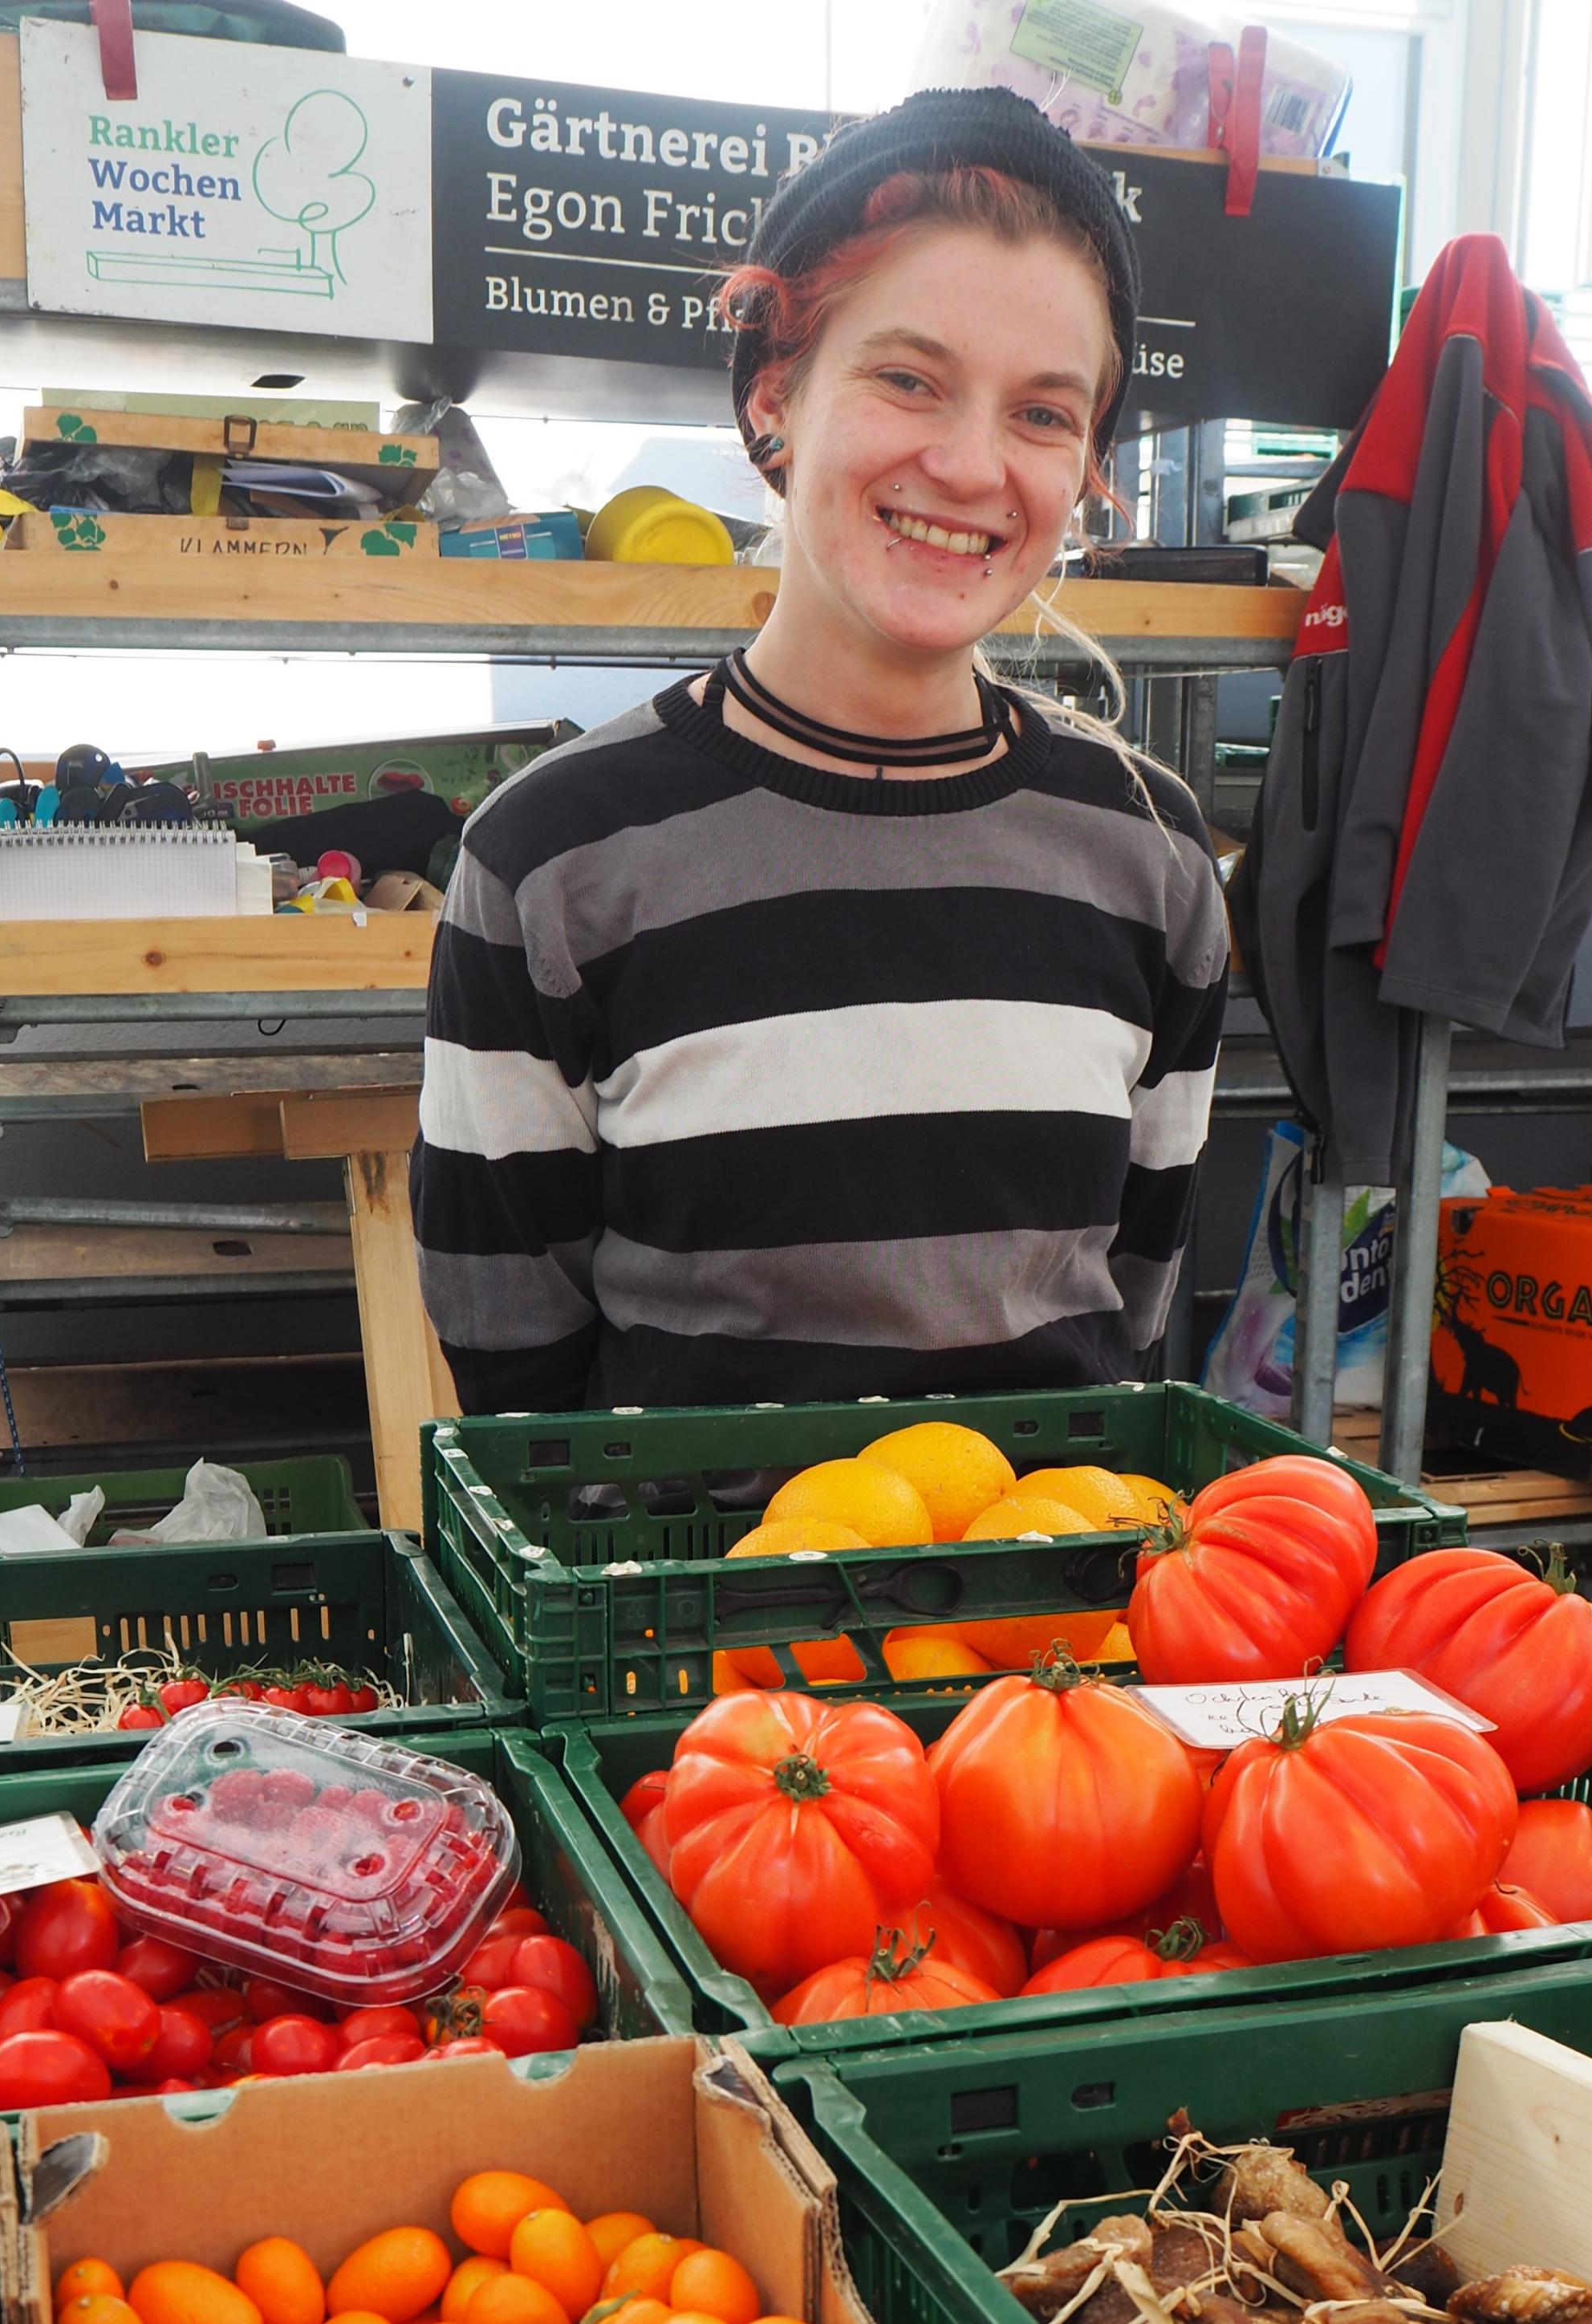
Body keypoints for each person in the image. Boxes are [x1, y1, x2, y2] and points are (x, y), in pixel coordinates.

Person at [412, 86, 1229, 1412]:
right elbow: (513, 1352)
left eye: (1043, 414)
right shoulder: (552, 860)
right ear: (774, 399)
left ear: (1088, 462)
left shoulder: (1152, 854)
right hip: (686, 1560)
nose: (971, 466)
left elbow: (1130, 1302)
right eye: (909, 380)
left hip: (1046, 1553)